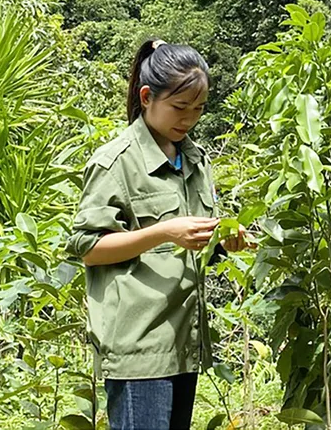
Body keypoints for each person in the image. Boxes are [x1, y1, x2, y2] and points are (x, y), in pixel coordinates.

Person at [67, 39, 250, 430]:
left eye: (198, 109)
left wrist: (223, 242)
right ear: (147, 97)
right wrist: (164, 231)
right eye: (180, 108)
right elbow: (88, 248)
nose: (189, 119)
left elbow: (194, 245)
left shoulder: (196, 160)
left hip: (183, 344)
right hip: (138, 347)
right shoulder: (115, 162)